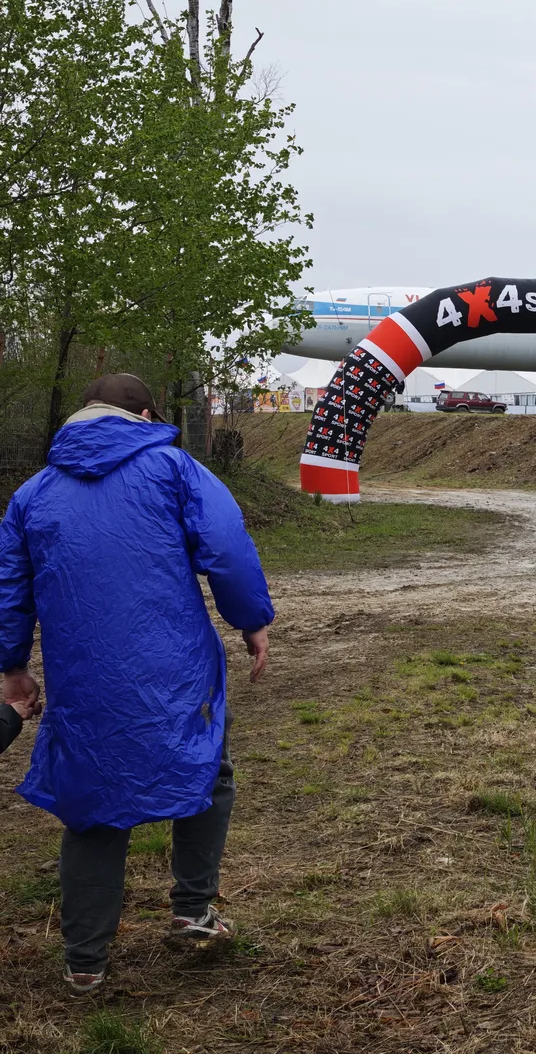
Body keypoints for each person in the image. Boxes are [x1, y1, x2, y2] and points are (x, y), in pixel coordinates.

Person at [0, 374, 274, 995]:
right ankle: (193, 909)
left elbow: (9, 589)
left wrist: (12, 664)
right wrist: (251, 621)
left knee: (91, 805)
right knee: (208, 769)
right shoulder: (175, 469)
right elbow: (226, 549)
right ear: (146, 416)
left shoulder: (32, 494)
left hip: (83, 677)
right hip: (175, 667)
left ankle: (85, 962)